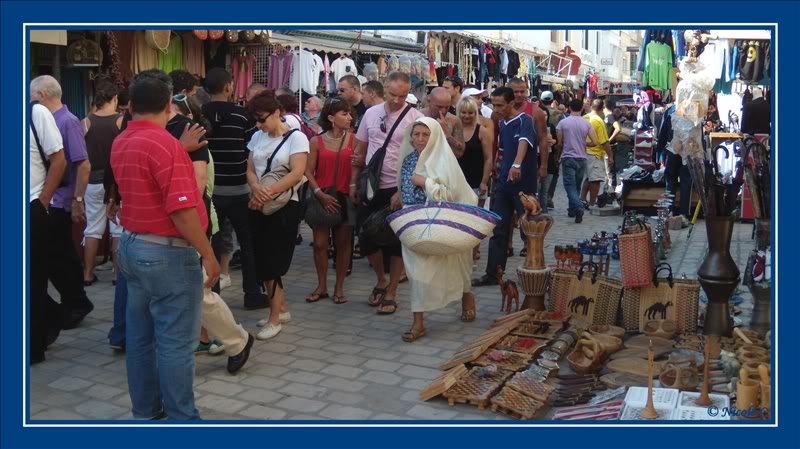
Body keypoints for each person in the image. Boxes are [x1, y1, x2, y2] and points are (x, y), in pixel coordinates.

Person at [112, 76, 219, 420]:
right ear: (169, 107)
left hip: (132, 245)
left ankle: (146, 411)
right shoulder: (165, 144)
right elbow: (183, 211)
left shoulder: (122, 140)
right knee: (175, 343)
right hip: (167, 252)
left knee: (141, 340)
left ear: (129, 106)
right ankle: (182, 418)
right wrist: (208, 253)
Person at [171, 92, 255, 372]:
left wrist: (202, 245)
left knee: (201, 290)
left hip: (193, 225)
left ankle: (236, 340)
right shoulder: (170, 136)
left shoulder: (195, 145)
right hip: (176, 228)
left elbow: (196, 188)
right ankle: (215, 339)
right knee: (191, 292)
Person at [398, 118, 479, 342]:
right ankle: (418, 322)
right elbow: (405, 188)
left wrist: (425, 183)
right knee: (417, 272)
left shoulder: (445, 160)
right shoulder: (408, 160)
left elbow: (453, 194)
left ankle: (466, 295)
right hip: (414, 224)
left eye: (426, 134)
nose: (420, 139)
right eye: (416, 134)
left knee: (455, 263)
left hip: (443, 222)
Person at [350, 71, 424, 314]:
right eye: (392, 94)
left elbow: (420, 159)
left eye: (402, 96)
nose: (396, 100)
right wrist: (353, 183)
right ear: (385, 90)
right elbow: (359, 150)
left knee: (395, 241)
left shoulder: (415, 118)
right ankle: (381, 279)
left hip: (398, 186)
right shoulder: (371, 113)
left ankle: (391, 290)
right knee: (366, 237)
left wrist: (404, 190)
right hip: (371, 184)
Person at [30, 75, 95, 329]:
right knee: (54, 256)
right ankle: (69, 303)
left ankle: (75, 302)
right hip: (49, 200)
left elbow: (83, 163)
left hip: (57, 200)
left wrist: (77, 199)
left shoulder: (66, 122)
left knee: (59, 256)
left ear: (42, 95)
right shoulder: (48, 119)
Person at [202, 68, 268, 309]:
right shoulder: (242, 115)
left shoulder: (199, 114)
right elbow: (251, 151)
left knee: (214, 244)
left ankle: (214, 296)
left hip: (212, 193)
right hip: (240, 191)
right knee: (247, 243)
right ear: (229, 86)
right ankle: (252, 294)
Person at [246, 91, 309, 340]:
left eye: (262, 119)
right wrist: (256, 188)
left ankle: (274, 318)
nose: (259, 125)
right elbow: (249, 168)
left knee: (273, 263)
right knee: (261, 259)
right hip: (258, 203)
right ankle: (280, 309)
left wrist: (268, 191)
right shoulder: (256, 136)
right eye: (256, 120)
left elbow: (297, 172)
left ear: (276, 113)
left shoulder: (297, 138)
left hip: (283, 205)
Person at [473, 87, 540, 288]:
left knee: (529, 230)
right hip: (503, 184)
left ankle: (535, 274)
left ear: (511, 103)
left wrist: (517, 165)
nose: (496, 108)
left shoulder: (524, 120)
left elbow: (524, 143)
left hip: (523, 186)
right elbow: (503, 148)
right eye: (494, 104)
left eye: (500, 105)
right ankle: (493, 273)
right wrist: (496, 164)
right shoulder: (501, 122)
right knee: (499, 229)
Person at [304, 98, 356, 305]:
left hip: (346, 197)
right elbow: (307, 170)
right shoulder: (316, 141)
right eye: (344, 114)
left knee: (344, 245)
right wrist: (319, 193)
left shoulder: (355, 140)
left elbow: (359, 167)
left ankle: (339, 287)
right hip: (322, 195)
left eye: (350, 113)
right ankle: (322, 285)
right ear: (331, 118)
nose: (349, 117)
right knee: (320, 244)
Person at [29, 99, 68, 364]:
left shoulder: (35, 112)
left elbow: (59, 159)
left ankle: (33, 346)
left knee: (32, 281)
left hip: (30, 205)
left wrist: (43, 201)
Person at [81, 82, 123, 287]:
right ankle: (116, 273)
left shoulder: (86, 122)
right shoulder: (120, 121)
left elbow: (80, 155)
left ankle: (87, 273)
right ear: (114, 99)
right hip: (115, 182)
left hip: (91, 182)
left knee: (92, 229)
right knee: (117, 229)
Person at [556, 99, 598, 223]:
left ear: (569, 107)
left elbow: (559, 143)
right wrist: (584, 144)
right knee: (576, 186)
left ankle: (578, 207)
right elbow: (595, 142)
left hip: (568, 157)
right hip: (582, 158)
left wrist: (558, 154)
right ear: (582, 109)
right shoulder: (587, 124)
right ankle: (572, 209)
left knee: (569, 186)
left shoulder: (563, 123)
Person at [580, 99, 613, 208]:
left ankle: (583, 199)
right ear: (601, 108)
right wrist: (611, 156)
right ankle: (592, 203)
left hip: (583, 153)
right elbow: (604, 142)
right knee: (596, 180)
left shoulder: (584, 118)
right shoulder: (599, 121)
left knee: (588, 178)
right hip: (595, 154)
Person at [421, 87, 465, 156]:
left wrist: (447, 134)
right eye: (439, 107)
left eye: (447, 107)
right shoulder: (417, 116)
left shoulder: (454, 120)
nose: (443, 111)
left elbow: (459, 153)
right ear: (429, 101)